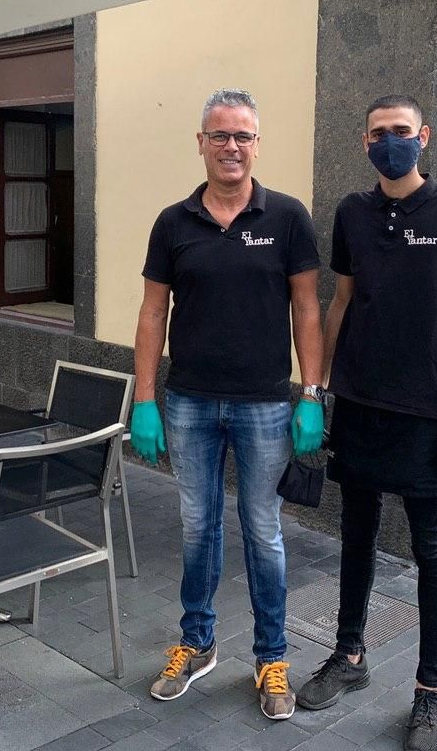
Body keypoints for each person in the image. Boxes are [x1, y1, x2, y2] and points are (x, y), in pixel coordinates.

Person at [296, 95, 437, 751]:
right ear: (365, 142)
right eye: (378, 133)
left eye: (400, 131)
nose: (389, 142)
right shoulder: (352, 213)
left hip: (429, 410)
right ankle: (349, 655)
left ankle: (430, 691)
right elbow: (341, 300)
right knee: (356, 532)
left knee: (431, 549)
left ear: (423, 137)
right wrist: (318, 389)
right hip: (360, 402)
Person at [130, 89, 325, 720]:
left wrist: (311, 394)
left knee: (264, 532)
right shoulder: (173, 222)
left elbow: (307, 309)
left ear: (256, 145)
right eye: (220, 135)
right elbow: (153, 313)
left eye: (242, 136)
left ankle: (271, 658)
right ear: (201, 143)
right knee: (198, 528)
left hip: (265, 405)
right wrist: (145, 398)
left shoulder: (288, 218)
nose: (231, 147)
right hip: (188, 403)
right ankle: (198, 643)